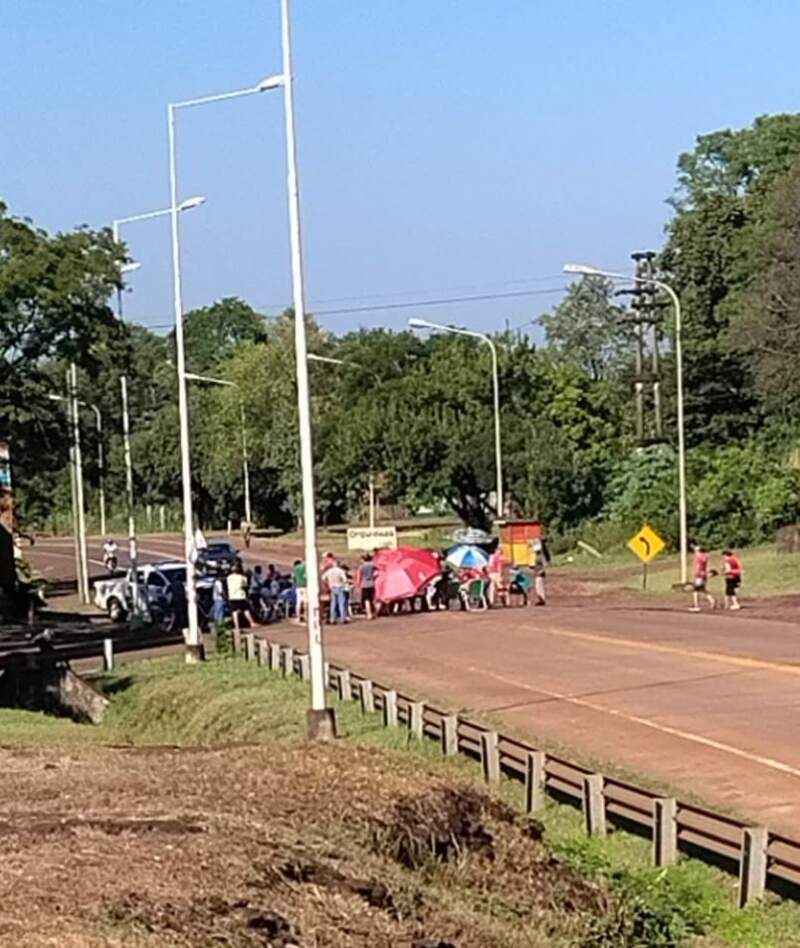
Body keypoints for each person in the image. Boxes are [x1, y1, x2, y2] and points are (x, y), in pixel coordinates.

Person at [227, 559, 254, 632]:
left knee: (234, 612)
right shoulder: (242, 578)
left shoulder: (229, 578)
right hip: (241, 595)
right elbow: (245, 586)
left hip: (232, 596)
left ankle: (236, 626)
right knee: (245, 609)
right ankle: (251, 622)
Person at [689, 542, 715, 613]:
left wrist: (696, 575)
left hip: (699, 575)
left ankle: (696, 606)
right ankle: (712, 600)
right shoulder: (704, 557)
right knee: (703, 589)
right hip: (703, 575)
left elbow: (698, 567)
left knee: (695, 590)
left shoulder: (698, 557)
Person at [323, 557, 349, 625]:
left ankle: (332, 619)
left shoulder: (329, 571)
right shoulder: (340, 571)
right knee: (341, 603)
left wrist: (328, 583)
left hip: (332, 587)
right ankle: (343, 618)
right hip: (339, 587)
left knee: (333, 604)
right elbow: (345, 580)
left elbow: (323, 578)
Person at [530, 536, 551, 606]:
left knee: (539, 586)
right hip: (538, 572)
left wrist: (541, 571)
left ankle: (542, 599)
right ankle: (541, 599)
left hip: (540, 573)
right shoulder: (538, 556)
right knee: (538, 586)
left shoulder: (540, 556)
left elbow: (544, 564)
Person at [357, 552, 378, 620]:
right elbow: (378, 571)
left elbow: (359, 576)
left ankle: (369, 614)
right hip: (372, 583)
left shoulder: (361, 566)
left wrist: (358, 584)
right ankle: (375, 612)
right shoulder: (373, 565)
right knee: (372, 599)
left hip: (364, 584)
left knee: (366, 600)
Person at [292, 559, 307, 624]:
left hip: (299, 587)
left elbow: (293, 579)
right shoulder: (305, 567)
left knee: (299, 602)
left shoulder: (295, 569)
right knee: (306, 602)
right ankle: (306, 616)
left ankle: (298, 617)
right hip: (306, 586)